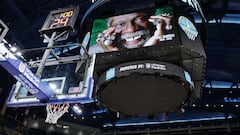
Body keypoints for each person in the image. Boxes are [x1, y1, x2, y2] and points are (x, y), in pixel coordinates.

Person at [88, 10, 173, 54]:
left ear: (151, 19)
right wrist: (113, 55)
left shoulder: (168, 37)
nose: (131, 29)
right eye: (120, 24)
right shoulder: (93, 53)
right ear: (109, 29)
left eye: (139, 19)